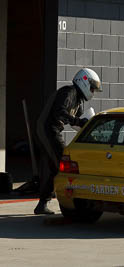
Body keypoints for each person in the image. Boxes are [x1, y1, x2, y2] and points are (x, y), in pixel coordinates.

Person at [33, 68, 102, 214]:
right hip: (47, 129)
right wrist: (78, 120)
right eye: (92, 88)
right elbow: (61, 112)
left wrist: (93, 137)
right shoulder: (69, 92)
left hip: (52, 130)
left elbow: (79, 124)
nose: (93, 92)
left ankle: (42, 204)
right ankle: (65, 202)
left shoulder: (78, 100)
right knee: (63, 163)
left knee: (56, 167)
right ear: (83, 82)